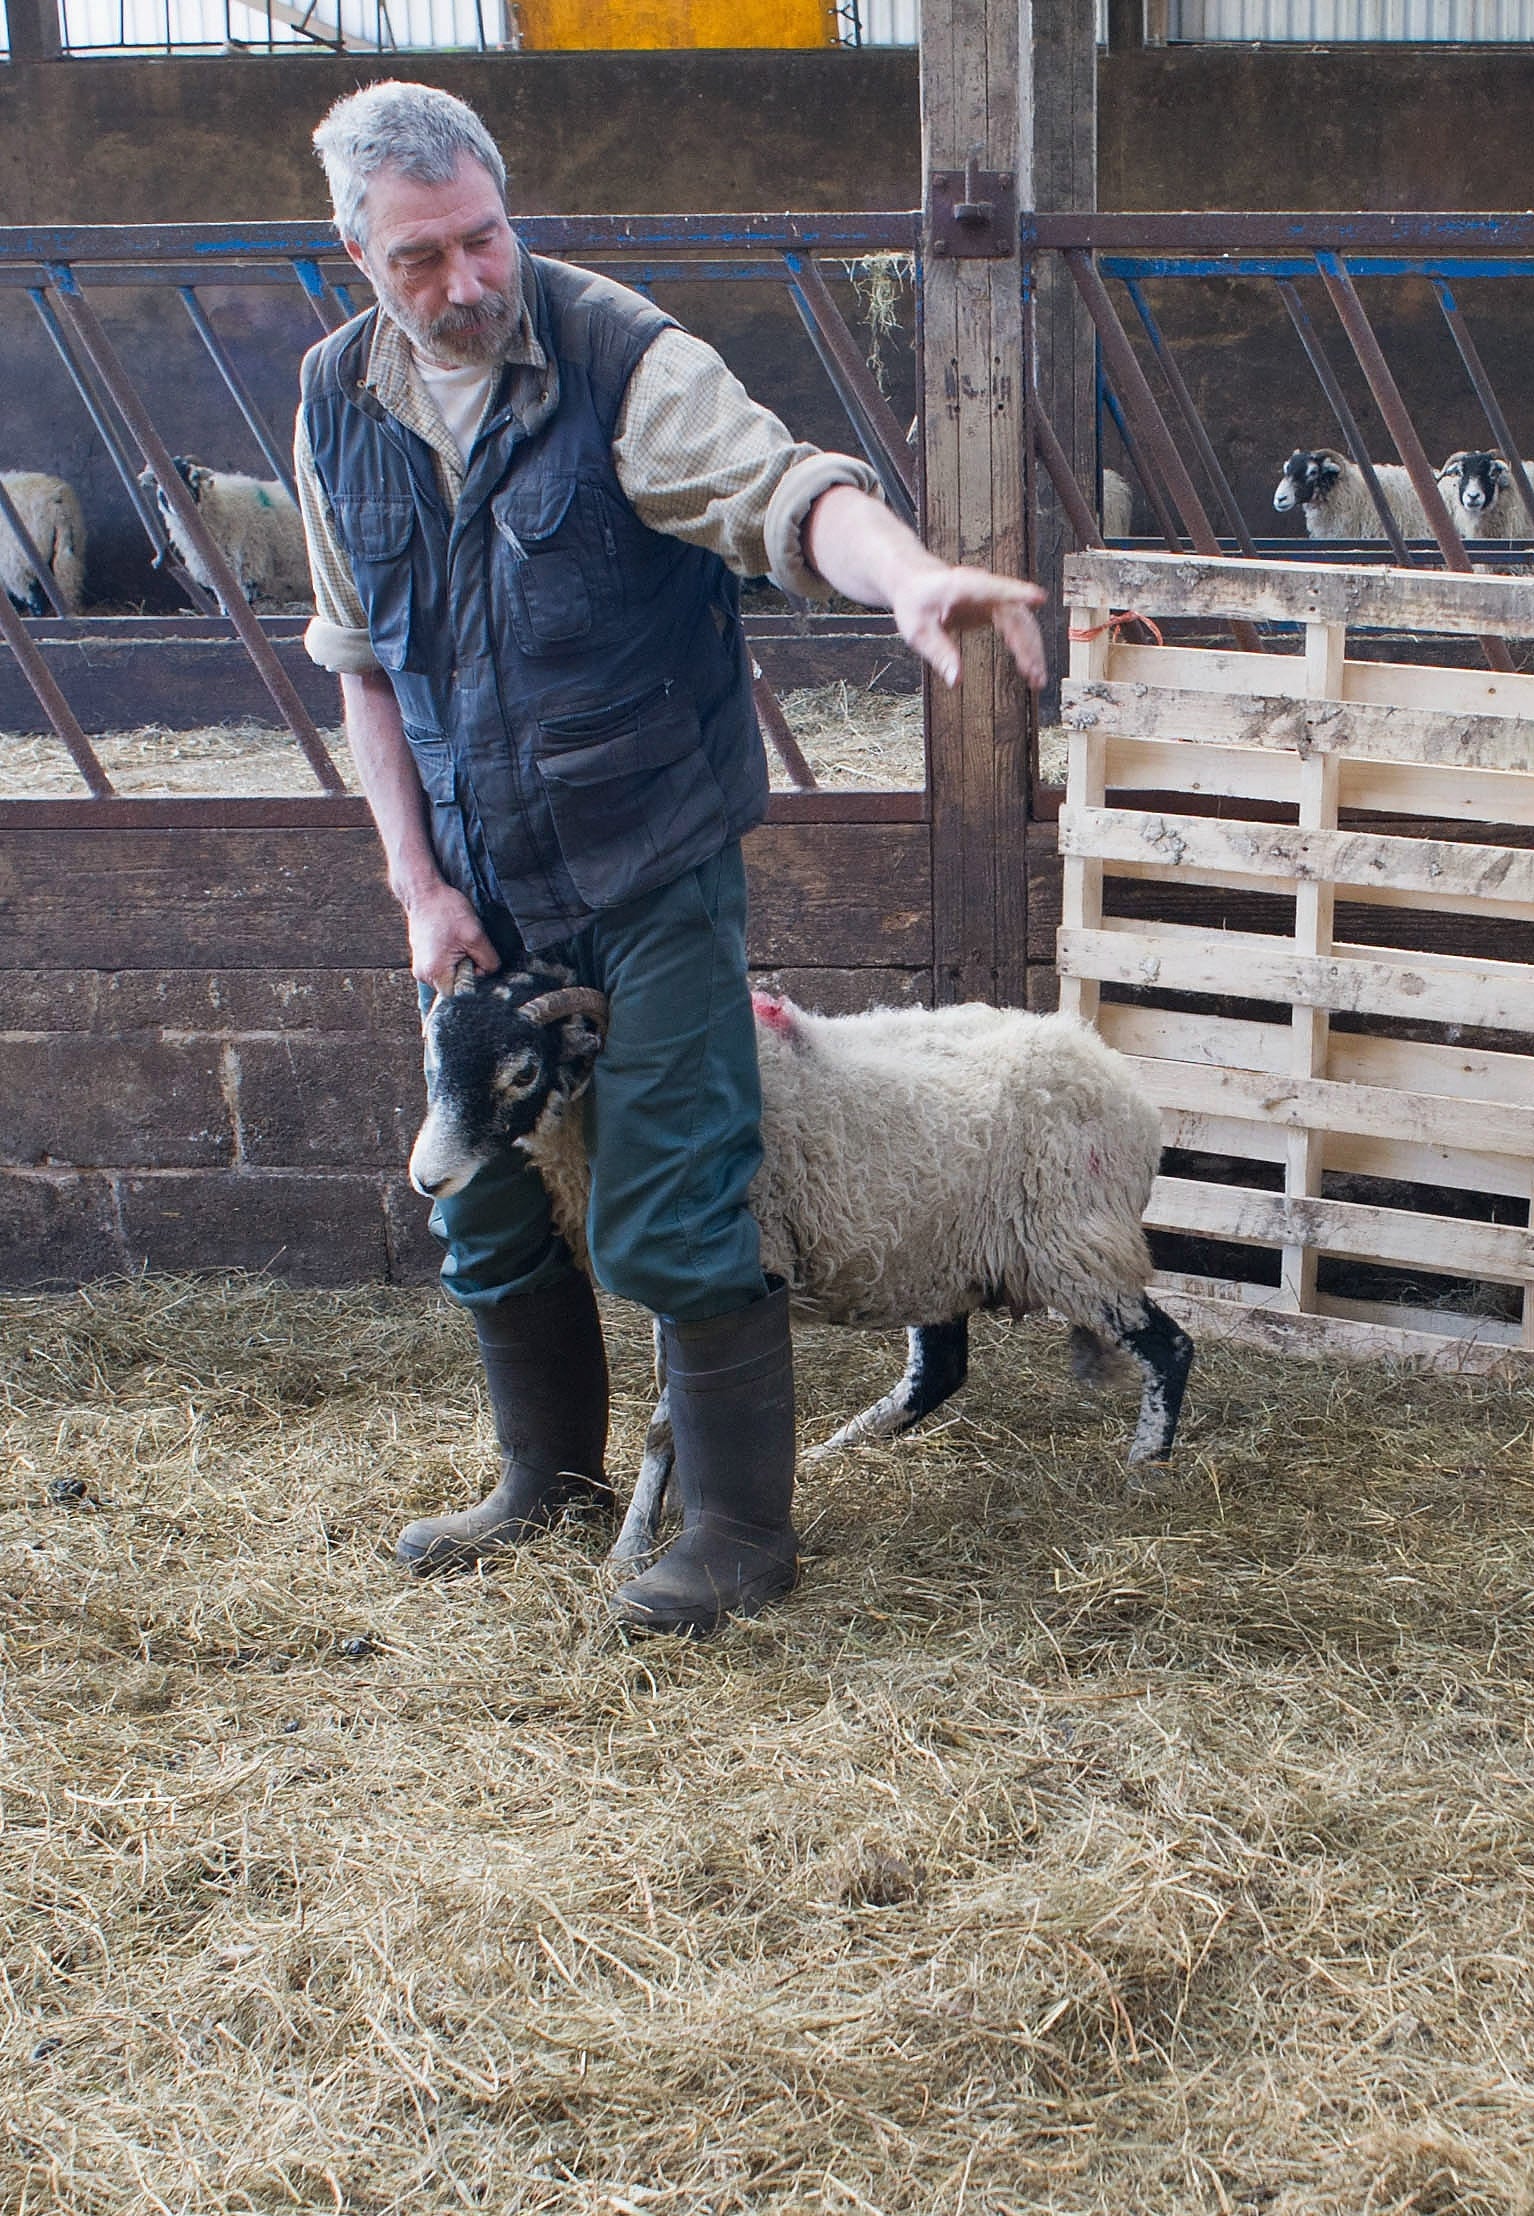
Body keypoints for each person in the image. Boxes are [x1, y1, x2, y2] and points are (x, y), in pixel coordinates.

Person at [294, 82, 1047, 1635]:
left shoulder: (622, 359)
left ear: (512, 211)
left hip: (648, 868)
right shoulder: (331, 403)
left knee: (679, 1197)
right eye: (422, 259)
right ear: (355, 251)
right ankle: (547, 1483)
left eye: (485, 238)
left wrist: (901, 576)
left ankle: (736, 1540)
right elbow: (363, 665)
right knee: (488, 1202)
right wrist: (416, 887)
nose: (467, 282)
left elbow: (786, 492)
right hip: (479, 899)